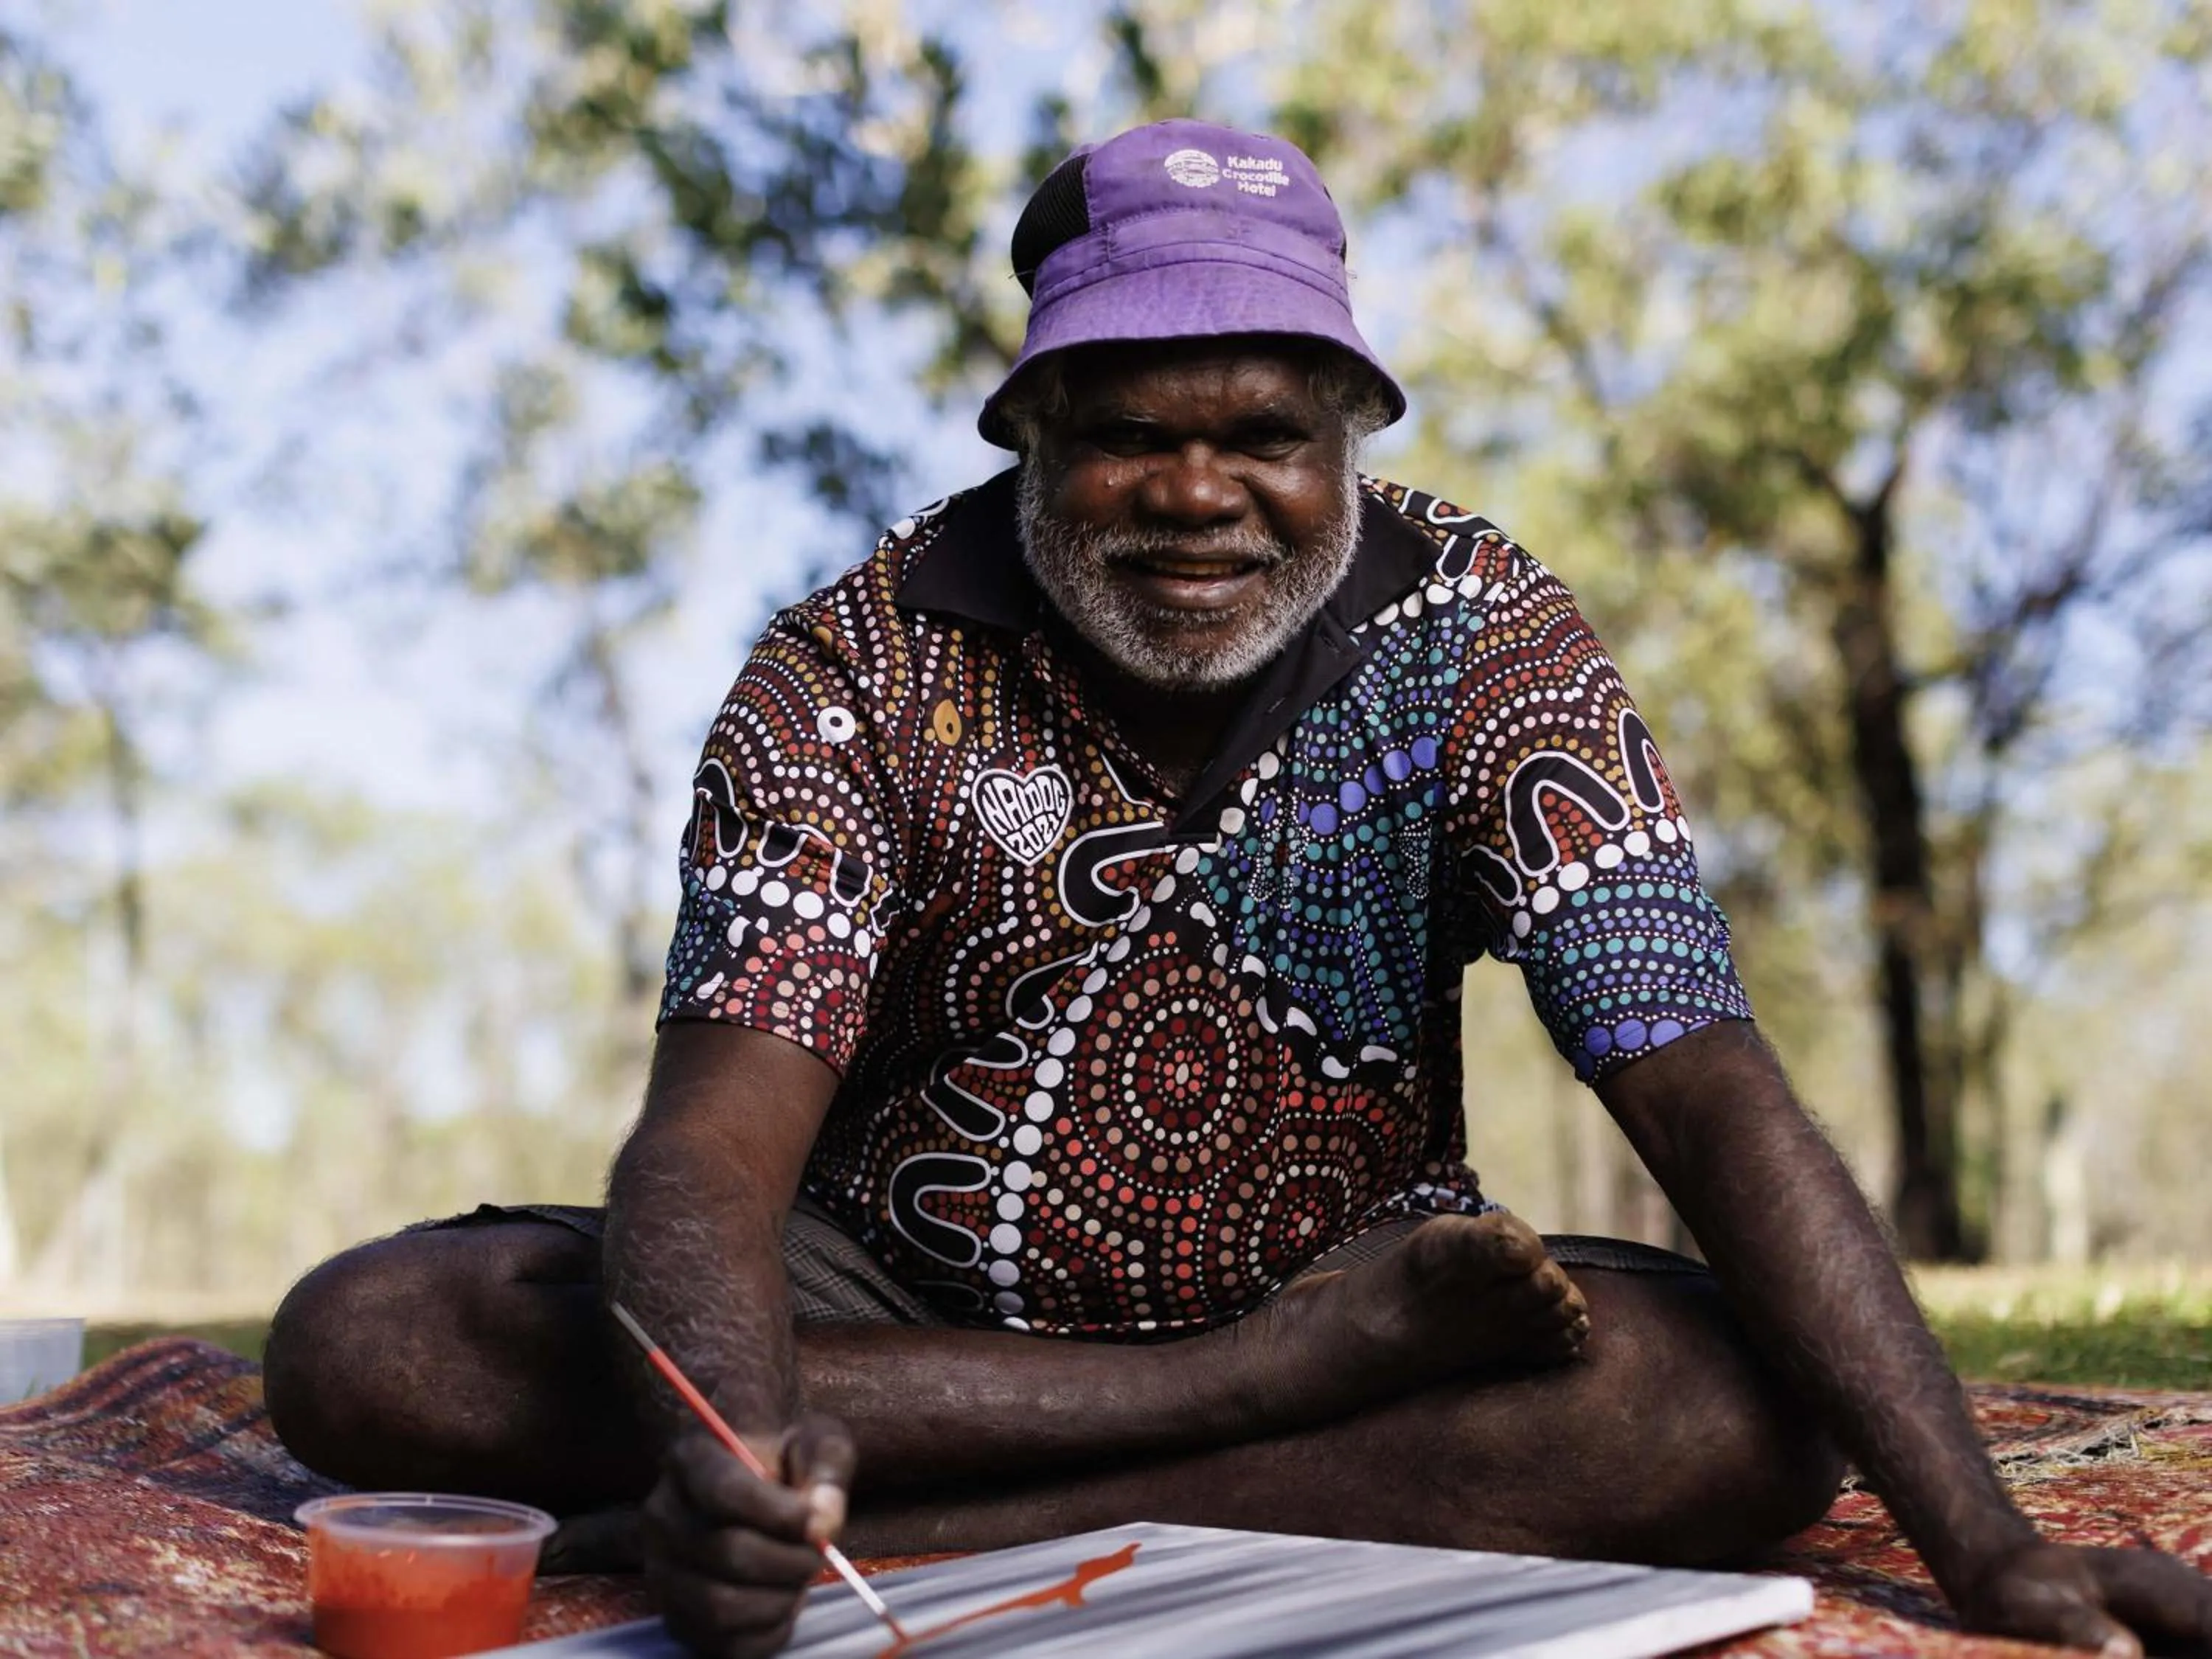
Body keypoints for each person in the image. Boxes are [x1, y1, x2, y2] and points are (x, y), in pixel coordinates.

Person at [262, 120, 2212, 1659]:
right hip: (905, 1301)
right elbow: (705, 1153)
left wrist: (1990, 1541)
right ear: (1029, 434)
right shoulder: (846, 663)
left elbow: (1696, 1072)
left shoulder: (1485, 628)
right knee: (376, 1343)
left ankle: (936, 1534)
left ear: (1350, 441)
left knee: (1733, 1408)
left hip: (1340, 1283)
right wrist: (734, 1444)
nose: (1201, 490)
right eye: (1128, 434)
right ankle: (1214, 1412)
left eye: (1264, 435)